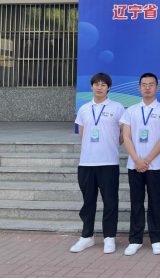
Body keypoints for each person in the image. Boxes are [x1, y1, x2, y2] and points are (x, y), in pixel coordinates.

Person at [120, 73, 160, 256]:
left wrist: (148, 160)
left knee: (155, 202)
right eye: (144, 85)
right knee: (136, 202)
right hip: (134, 165)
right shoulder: (131, 111)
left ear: (157, 88)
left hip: (155, 166)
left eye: (151, 85)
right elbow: (126, 136)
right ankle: (135, 240)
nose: (147, 88)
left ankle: (156, 239)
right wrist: (137, 160)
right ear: (139, 88)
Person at [70, 73, 125, 254]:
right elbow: (82, 133)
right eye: (96, 84)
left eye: (103, 84)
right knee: (88, 202)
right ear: (91, 86)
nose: (99, 87)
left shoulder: (117, 108)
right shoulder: (84, 109)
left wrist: (111, 144)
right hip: (87, 162)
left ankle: (109, 237)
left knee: (110, 201)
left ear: (109, 87)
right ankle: (87, 236)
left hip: (109, 162)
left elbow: (124, 133)